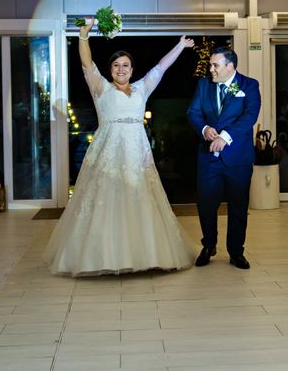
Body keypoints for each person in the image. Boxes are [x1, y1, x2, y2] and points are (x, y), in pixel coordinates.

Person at [44, 18, 196, 276]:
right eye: (116, 65)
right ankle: (103, 257)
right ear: (110, 69)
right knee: (106, 203)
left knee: (142, 203)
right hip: (108, 157)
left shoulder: (141, 89)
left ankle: (145, 255)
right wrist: (84, 35)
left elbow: (161, 67)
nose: (121, 69)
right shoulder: (100, 87)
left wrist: (180, 45)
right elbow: (86, 63)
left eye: (125, 65)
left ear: (132, 69)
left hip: (138, 157)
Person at [187, 47, 261, 269]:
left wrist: (226, 137)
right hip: (208, 159)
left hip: (238, 158)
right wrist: (204, 129)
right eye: (210, 64)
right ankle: (209, 246)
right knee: (206, 205)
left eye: (215, 65)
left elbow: (250, 116)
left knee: (238, 207)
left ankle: (236, 252)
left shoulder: (249, 85)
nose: (210, 69)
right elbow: (193, 112)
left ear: (230, 66)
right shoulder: (204, 85)